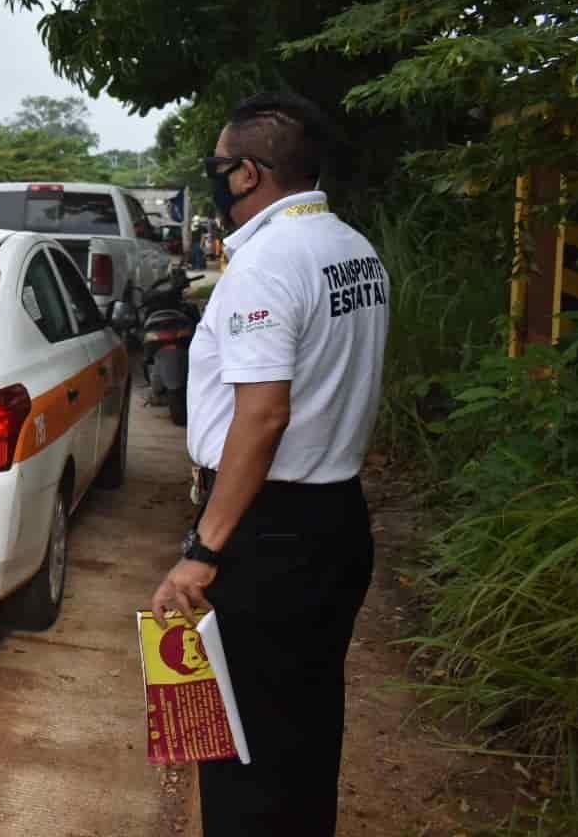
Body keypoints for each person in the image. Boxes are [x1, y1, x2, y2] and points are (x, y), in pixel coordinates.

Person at [149, 91, 388, 837]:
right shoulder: (353, 249)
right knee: (307, 735)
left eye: (220, 168)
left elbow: (263, 414)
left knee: (242, 750)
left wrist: (204, 549)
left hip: (269, 529)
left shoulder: (266, 263)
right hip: (338, 515)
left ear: (248, 173)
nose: (218, 182)